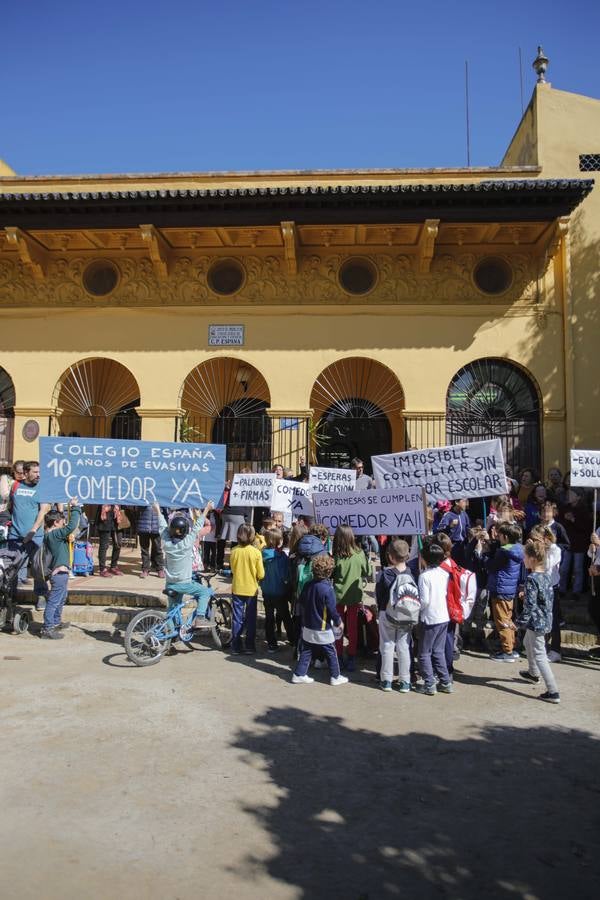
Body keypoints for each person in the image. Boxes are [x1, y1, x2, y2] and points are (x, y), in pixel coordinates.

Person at [291, 554, 348, 686]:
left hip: (308, 625)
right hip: (322, 627)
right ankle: (335, 676)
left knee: (306, 650)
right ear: (330, 572)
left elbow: (301, 601)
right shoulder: (328, 590)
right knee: (331, 652)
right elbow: (332, 610)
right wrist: (339, 622)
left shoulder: (307, 585)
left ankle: (299, 674)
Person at [517, 538, 560, 703]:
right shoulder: (547, 576)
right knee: (527, 643)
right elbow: (544, 598)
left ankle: (553, 691)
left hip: (536, 622)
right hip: (545, 619)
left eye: (525, 557)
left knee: (540, 655)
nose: (523, 560)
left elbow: (530, 606)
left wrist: (518, 623)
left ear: (533, 559)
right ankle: (533, 673)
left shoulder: (531, 578)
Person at [154, 500, 214, 616]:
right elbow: (197, 527)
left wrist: (158, 511)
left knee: (172, 610)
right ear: (185, 531)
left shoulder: (167, 543)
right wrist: (206, 509)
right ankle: (200, 616)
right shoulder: (187, 543)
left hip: (170, 583)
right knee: (204, 592)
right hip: (184, 583)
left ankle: (171, 627)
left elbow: (162, 527)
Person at [7, 460, 51, 609]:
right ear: (26, 473)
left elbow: (43, 511)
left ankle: (41, 596)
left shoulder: (42, 488)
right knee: (12, 568)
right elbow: (10, 505)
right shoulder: (15, 486)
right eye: (35, 472)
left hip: (35, 537)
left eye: (39, 472)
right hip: (15, 536)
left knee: (38, 569)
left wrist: (33, 531)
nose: (38, 475)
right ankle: (10, 597)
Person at [377, 539, 419, 693]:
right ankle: (405, 681)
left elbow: (379, 596)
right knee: (404, 647)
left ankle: (386, 680)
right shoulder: (412, 574)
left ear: (390, 556)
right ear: (407, 556)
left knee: (387, 646)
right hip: (407, 615)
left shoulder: (384, 574)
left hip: (387, 613)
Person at [40, 498, 81, 639]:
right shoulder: (54, 534)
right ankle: (47, 628)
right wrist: (75, 508)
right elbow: (72, 526)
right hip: (59, 574)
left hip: (61, 573)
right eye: (62, 521)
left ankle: (56, 622)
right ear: (55, 523)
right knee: (54, 601)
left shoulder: (52, 535)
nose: (64, 523)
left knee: (61, 598)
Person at [332, 524, 372, 672]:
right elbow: (367, 572)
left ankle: (338, 655)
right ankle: (351, 656)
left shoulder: (336, 556)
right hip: (354, 594)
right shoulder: (359, 553)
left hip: (338, 595)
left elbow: (332, 574)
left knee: (338, 626)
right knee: (353, 626)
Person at [416, 538, 453, 695]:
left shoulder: (424, 576)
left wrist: (418, 611)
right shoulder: (444, 573)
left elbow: (424, 600)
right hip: (443, 616)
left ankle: (429, 683)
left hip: (429, 618)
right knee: (438, 651)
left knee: (424, 652)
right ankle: (445, 681)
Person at [487, 521, 524, 662]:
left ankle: (507, 651)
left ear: (506, 537)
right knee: (508, 619)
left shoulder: (503, 552)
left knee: (502, 621)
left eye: (500, 535)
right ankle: (511, 647)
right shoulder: (517, 549)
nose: (498, 536)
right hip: (509, 589)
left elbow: (491, 566)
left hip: (500, 588)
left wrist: (482, 555)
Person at [229, 523, 265, 655]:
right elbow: (261, 574)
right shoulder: (256, 553)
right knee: (250, 618)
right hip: (251, 590)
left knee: (236, 618)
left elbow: (233, 570)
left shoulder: (233, 551)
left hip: (237, 588)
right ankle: (250, 646)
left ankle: (236, 646)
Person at [530, 524, 562, 662]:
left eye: (537, 539)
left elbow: (547, 565)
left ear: (546, 538)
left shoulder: (555, 549)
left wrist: (541, 550)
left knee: (553, 619)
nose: (535, 542)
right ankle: (539, 648)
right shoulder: (539, 548)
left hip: (551, 588)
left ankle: (556, 650)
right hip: (540, 585)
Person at [260, 527, 292, 652]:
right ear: (279, 541)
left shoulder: (262, 555)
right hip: (279, 592)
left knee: (269, 618)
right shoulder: (282, 557)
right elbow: (286, 576)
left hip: (266, 591)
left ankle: (271, 644)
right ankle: (292, 639)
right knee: (286, 617)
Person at [434, 498, 470, 565]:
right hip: (452, 546)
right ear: (457, 502)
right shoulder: (448, 515)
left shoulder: (464, 514)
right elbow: (439, 531)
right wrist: (450, 526)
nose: (466, 504)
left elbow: (468, 528)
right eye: (464, 501)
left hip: (463, 545)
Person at [136, 504, 166, 579]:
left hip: (157, 527)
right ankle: (145, 569)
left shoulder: (160, 499)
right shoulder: (143, 499)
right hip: (143, 526)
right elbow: (136, 510)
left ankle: (160, 569)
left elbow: (165, 511)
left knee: (158, 549)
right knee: (144, 550)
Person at [95, 505, 124, 577]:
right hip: (104, 521)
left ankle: (113, 566)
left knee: (118, 544)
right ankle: (102, 569)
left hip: (116, 521)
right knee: (104, 546)